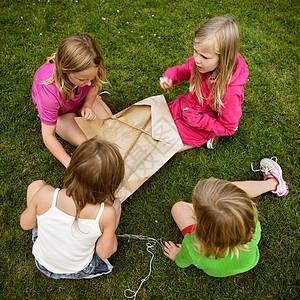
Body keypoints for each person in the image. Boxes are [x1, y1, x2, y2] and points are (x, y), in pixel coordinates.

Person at [163, 157, 288, 277]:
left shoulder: (193, 247)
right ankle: (274, 183)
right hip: (249, 263)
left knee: (178, 208)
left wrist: (176, 255)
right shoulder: (253, 227)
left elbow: (182, 261)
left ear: (202, 226)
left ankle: (209, 210)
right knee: (229, 192)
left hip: (215, 268)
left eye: (197, 214)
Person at [20, 138, 125, 279]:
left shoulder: (46, 195)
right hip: (79, 269)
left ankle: (52, 224)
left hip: (43, 261)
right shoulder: (105, 213)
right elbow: (105, 252)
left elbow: (26, 224)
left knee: (36, 185)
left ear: (72, 168)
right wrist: (111, 221)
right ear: (109, 185)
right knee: (116, 205)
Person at [160, 16, 249, 151]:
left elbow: (228, 127)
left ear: (224, 58)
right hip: (189, 105)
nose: (196, 59)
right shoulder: (201, 63)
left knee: (167, 142)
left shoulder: (230, 92)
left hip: (204, 120)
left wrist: (197, 120)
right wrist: (172, 76)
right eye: (195, 51)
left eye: (204, 57)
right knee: (160, 119)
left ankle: (208, 138)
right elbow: (185, 69)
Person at [32, 34, 112, 167]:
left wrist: (88, 105)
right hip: (61, 113)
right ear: (65, 71)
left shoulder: (91, 69)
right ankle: (73, 113)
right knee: (91, 143)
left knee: (111, 127)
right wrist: (69, 164)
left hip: (82, 99)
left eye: (91, 78)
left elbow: (94, 85)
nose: (88, 83)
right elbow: (48, 136)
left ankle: (81, 106)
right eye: (82, 79)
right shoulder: (49, 93)